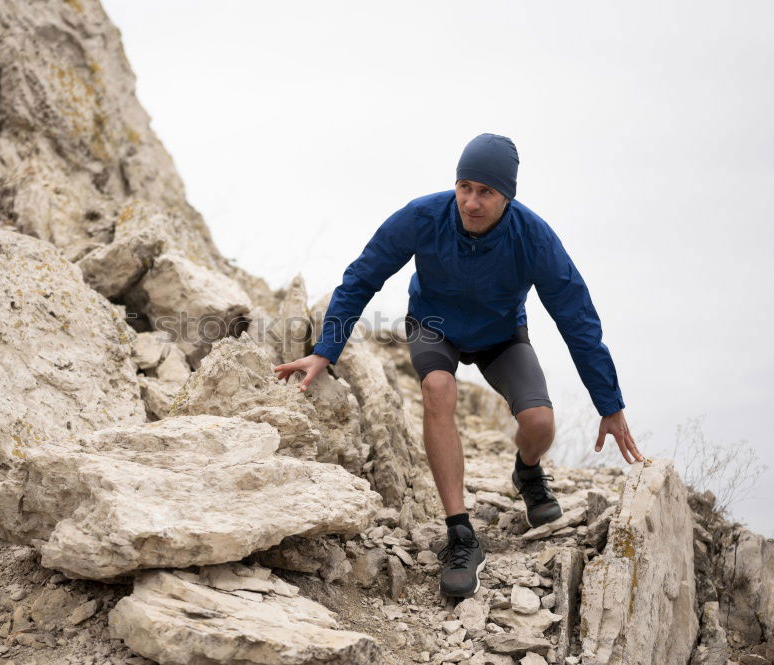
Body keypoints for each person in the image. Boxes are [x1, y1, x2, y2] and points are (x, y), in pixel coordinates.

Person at [273, 133, 643, 599]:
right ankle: (460, 534)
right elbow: (362, 277)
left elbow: (579, 320)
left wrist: (609, 404)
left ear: (507, 195)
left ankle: (527, 471)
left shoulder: (534, 237)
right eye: (464, 187)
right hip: (434, 327)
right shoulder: (423, 216)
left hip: (501, 336)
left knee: (539, 423)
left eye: (485, 192)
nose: (471, 202)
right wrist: (326, 351)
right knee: (437, 390)